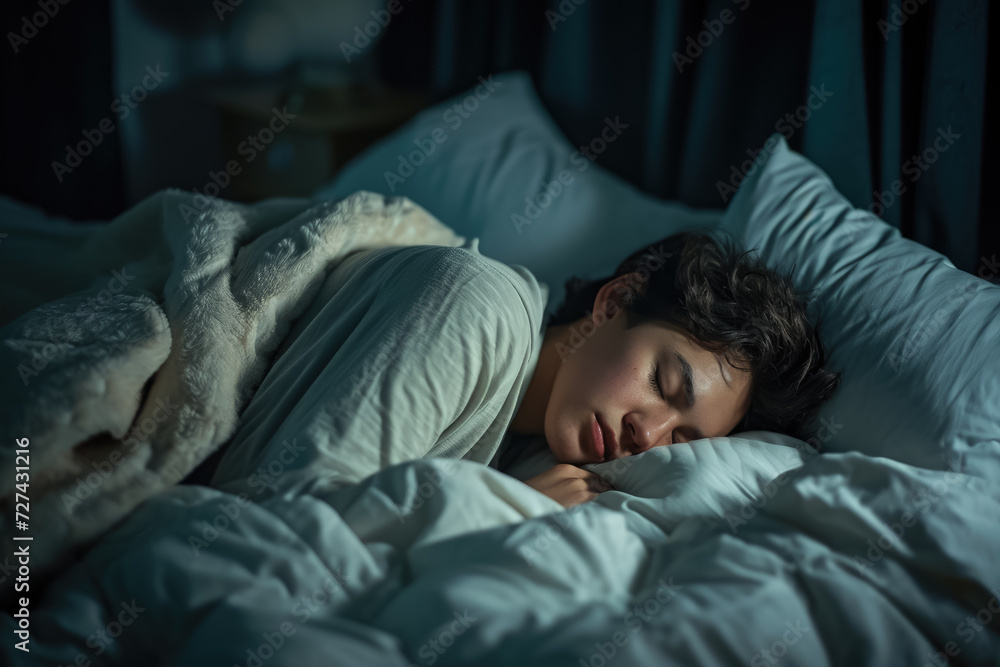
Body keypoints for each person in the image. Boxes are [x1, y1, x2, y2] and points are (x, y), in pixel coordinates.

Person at [511, 231, 841, 508]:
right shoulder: (485, 320)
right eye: (661, 382)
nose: (648, 435)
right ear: (615, 303)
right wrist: (514, 505)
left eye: (677, 440)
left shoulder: (525, 441)